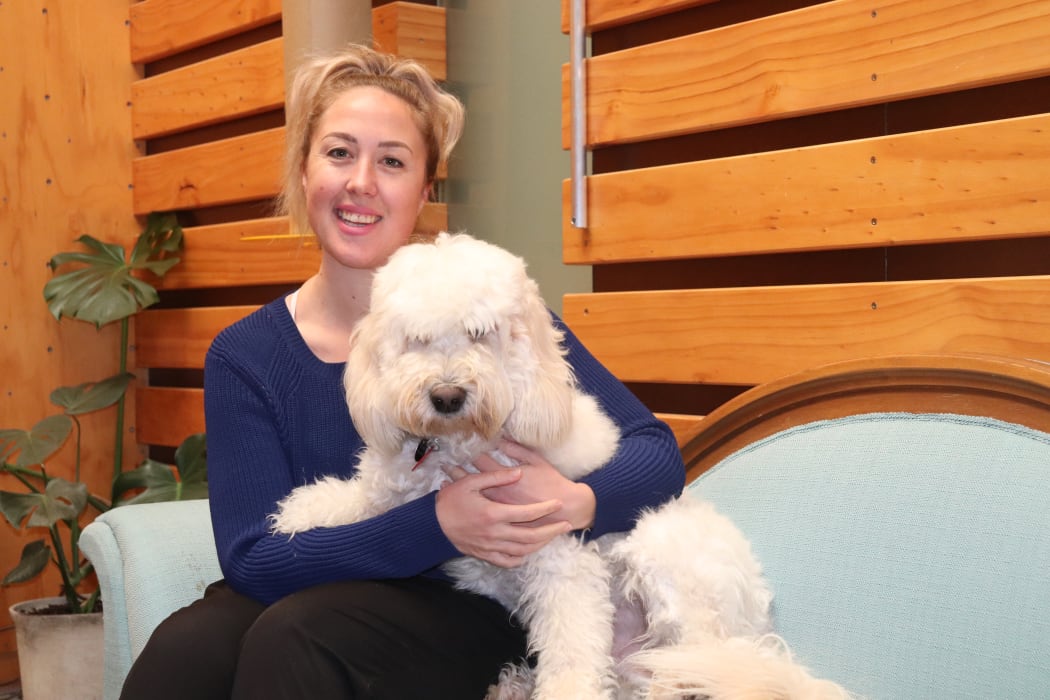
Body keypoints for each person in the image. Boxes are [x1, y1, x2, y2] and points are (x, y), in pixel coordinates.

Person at [120, 44, 685, 700]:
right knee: (185, 652)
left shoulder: (497, 319)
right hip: (327, 581)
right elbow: (253, 560)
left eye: (391, 161)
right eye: (339, 152)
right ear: (304, 171)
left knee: (298, 637)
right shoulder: (248, 355)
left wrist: (575, 501)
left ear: (423, 189)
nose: (362, 181)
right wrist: (435, 524)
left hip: (467, 605)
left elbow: (656, 454)